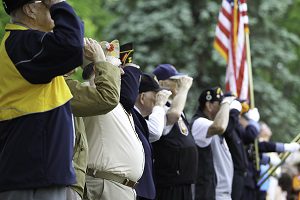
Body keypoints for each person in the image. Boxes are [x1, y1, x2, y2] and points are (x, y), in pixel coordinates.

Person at [0, 0, 83, 199]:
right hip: (33, 176)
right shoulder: (22, 43)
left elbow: (72, 42)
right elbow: (71, 45)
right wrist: (59, 3)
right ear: (30, 9)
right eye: (46, 2)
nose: (53, 7)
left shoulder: (23, 44)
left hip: (35, 173)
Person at [83, 43, 145, 200]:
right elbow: (95, 85)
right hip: (103, 184)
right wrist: (102, 61)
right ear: (99, 69)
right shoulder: (92, 91)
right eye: (118, 67)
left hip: (116, 186)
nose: (123, 71)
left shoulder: (113, 100)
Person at [65, 38, 121, 200]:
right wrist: (99, 60)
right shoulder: (61, 86)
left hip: (69, 180)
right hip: (65, 179)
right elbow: (107, 97)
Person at [152, 64, 198, 200]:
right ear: (161, 83)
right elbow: (173, 115)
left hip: (183, 182)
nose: (179, 83)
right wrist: (184, 88)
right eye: (175, 80)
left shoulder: (174, 106)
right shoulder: (159, 108)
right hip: (169, 183)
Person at [190, 87, 235, 200]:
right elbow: (220, 126)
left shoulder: (210, 124)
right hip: (210, 193)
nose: (223, 109)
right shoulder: (199, 123)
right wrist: (226, 102)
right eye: (219, 104)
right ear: (209, 106)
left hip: (219, 192)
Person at [134, 73, 171, 200]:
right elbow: (155, 132)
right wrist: (159, 106)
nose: (157, 100)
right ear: (142, 97)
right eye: (155, 96)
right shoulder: (132, 115)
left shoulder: (138, 118)